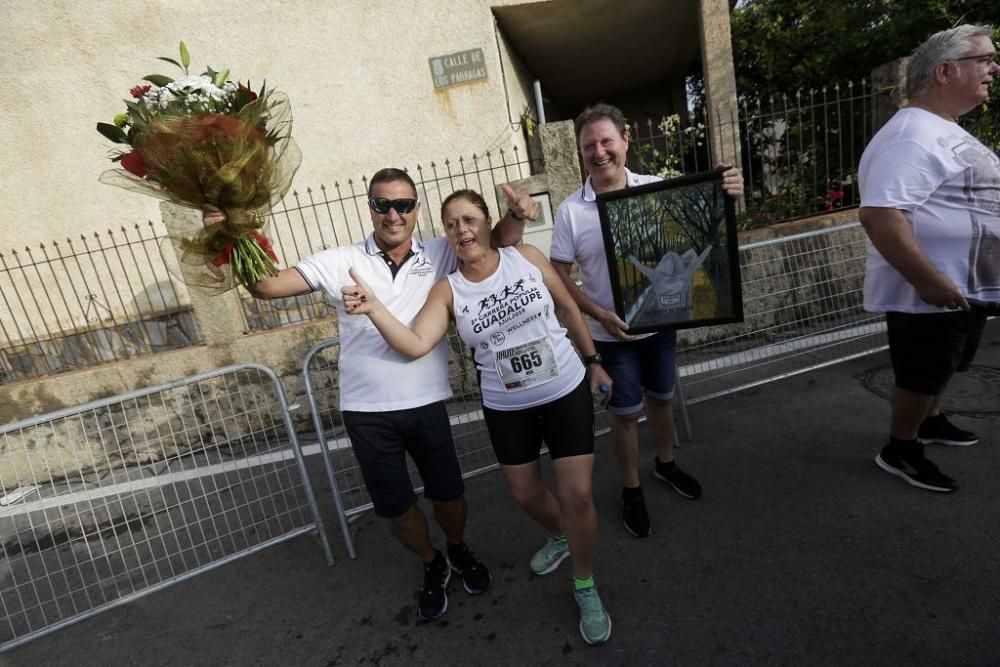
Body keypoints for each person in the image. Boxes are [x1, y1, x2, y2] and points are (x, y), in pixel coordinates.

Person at [202, 168, 540, 621]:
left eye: (403, 205)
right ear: (371, 208)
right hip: (366, 411)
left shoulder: (442, 252)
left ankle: (457, 549)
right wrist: (231, 237)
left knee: (449, 495)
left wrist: (517, 215)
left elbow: (495, 239)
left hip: (426, 403)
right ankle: (431, 561)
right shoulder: (340, 260)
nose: (394, 215)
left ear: (416, 210)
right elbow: (266, 287)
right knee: (396, 508)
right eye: (383, 205)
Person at [342, 189, 616, 645]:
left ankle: (585, 584)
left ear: (487, 222)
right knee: (526, 494)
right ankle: (564, 537)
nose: (461, 230)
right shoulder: (448, 290)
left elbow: (567, 307)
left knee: (579, 498)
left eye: (469, 220)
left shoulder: (523, 255)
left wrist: (593, 361)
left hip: (563, 388)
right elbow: (414, 344)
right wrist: (373, 308)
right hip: (507, 407)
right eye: (451, 224)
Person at [549, 103, 744, 537]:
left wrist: (722, 188)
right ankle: (631, 489)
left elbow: (699, 233)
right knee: (624, 414)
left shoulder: (656, 190)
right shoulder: (571, 212)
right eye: (588, 146)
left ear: (625, 141)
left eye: (605, 141)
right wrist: (598, 313)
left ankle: (666, 464)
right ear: (581, 153)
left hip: (659, 327)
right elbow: (557, 277)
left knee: (660, 398)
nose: (598, 152)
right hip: (611, 335)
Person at [858, 24, 999, 493]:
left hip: (965, 283)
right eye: (984, 59)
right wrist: (928, 281)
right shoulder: (910, 134)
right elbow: (880, 214)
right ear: (945, 70)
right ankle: (901, 448)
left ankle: (931, 422)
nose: (993, 68)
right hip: (934, 291)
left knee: (943, 367)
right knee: (921, 374)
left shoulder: (942, 128)